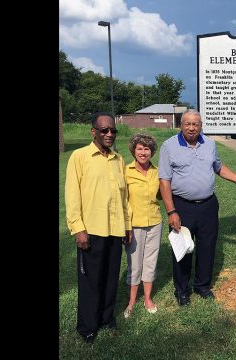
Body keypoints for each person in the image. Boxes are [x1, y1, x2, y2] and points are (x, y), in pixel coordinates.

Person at [158, 109, 236, 306]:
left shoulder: (209, 144)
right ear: (181, 125)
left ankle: (202, 286)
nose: (191, 128)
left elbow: (218, 167)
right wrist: (171, 211)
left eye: (195, 124)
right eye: (187, 124)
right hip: (182, 206)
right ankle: (182, 290)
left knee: (207, 247)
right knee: (182, 249)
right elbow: (164, 181)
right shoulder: (169, 146)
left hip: (208, 205)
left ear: (201, 126)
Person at [65, 112, 130, 343]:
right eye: (105, 130)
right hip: (91, 230)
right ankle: (88, 326)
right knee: (91, 280)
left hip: (115, 229)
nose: (110, 134)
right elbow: (72, 196)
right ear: (94, 132)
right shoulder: (79, 157)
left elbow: (124, 198)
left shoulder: (118, 159)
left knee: (111, 277)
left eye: (113, 130)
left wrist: (128, 226)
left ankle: (106, 317)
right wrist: (78, 229)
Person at [123, 133, 162, 318]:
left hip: (155, 222)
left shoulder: (158, 171)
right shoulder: (125, 171)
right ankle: (131, 301)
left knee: (150, 262)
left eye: (147, 149)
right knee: (134, 263)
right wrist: (126, 226)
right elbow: (122, 201)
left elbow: (164, 194)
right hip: (134, 225)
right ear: (133, 150)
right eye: (140, 148)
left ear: (152, 152)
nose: (143, 152)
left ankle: (147, 298)